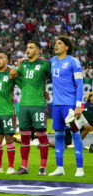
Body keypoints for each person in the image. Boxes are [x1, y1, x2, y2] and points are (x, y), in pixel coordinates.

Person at [12, 41, 51, 175]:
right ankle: (24, 167)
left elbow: (57, 76)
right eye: (27, 47)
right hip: (24, 106)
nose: (27, 49)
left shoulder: (45, 64)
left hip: (38, 105)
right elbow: (14, 75)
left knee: (41, 136)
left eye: (31, 48)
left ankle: (43, 167)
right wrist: (15, 68)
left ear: (38, 51)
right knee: (24, 137)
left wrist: (48, 91)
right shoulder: (23, 64)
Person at [49, 36, 84, 177]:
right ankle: (59, 168)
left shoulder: (73, 61)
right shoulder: (52, 61)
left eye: (59, 43)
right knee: (58, 136)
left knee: (75, 133)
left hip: (69, 105)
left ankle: (80, 169)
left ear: (67, 47)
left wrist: (78, 106)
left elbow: (80, 84)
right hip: (56, 105)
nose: (56, 45)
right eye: (55, 43)